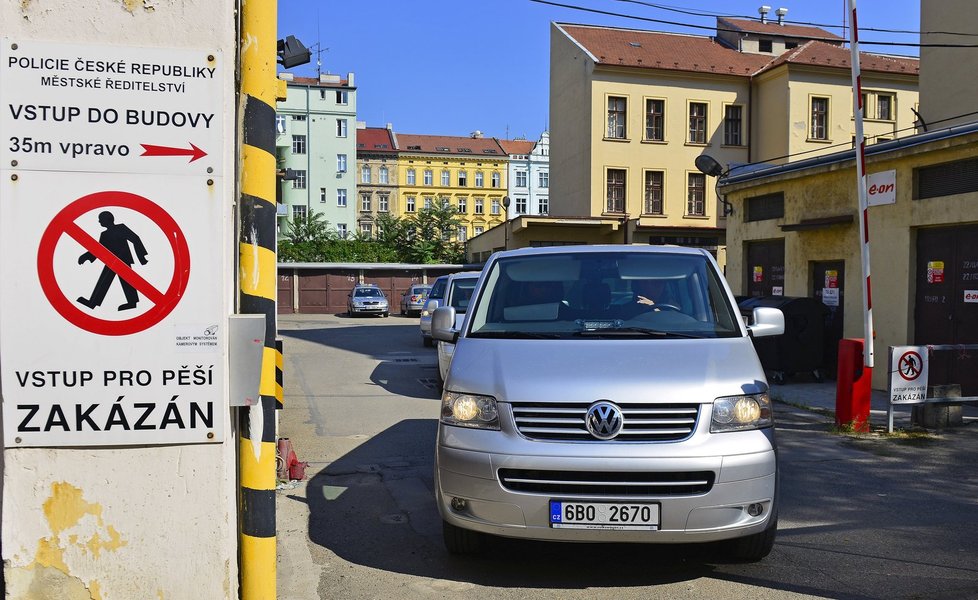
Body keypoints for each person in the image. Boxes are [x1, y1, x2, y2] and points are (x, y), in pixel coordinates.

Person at [77, 211, 149, 311]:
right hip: (111, 261)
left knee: (120, 281)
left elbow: (135, 238)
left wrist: (141, 257)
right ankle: (93, 302)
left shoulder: (121, 228)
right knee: (109, 281)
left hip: (122, 260)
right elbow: (98, 249)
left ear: (107, 219)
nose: (99, 221)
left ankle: (93, 303)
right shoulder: (104, 234)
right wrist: (86, 257)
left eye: (100, 219)